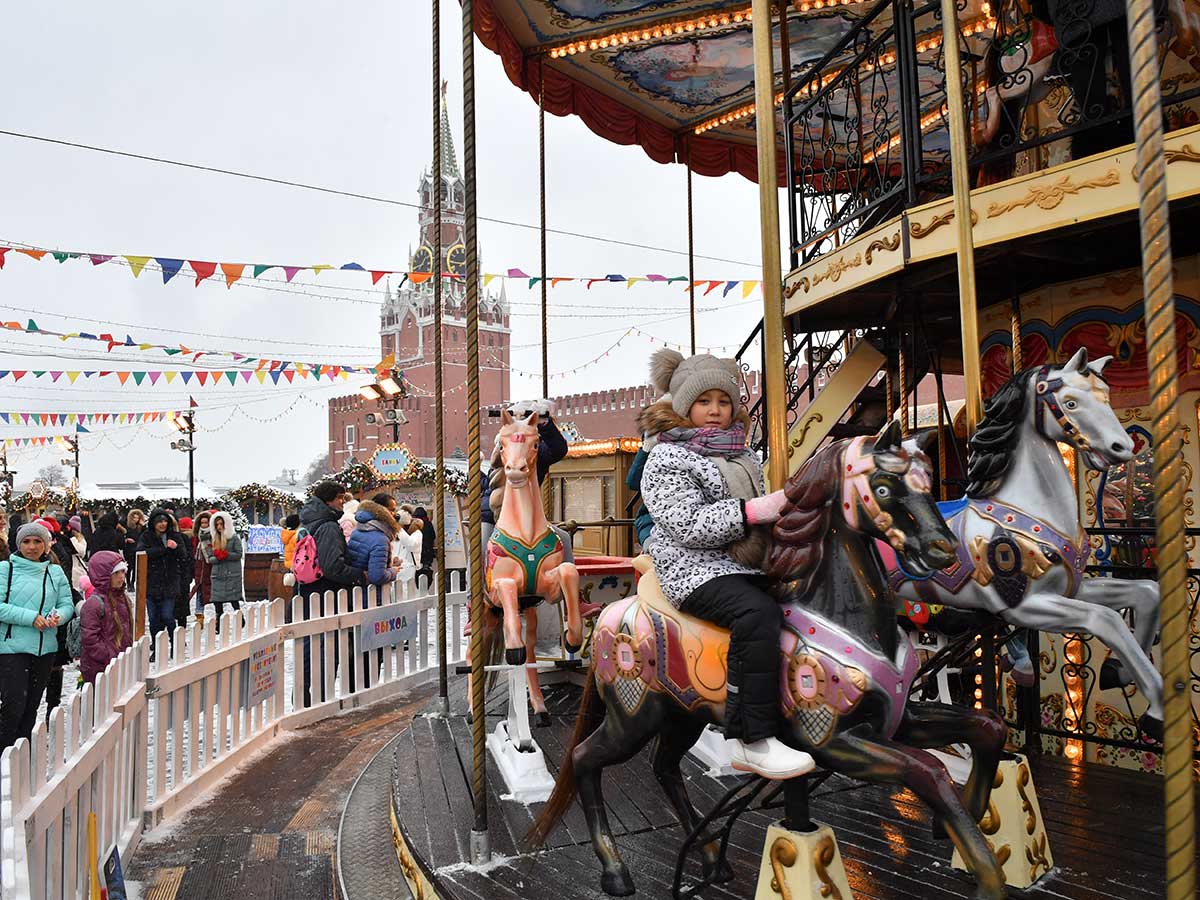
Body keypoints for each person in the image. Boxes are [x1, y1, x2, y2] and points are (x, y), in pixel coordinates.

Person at [639, 349, 814, 780]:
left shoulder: (742, 454)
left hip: (747, 564)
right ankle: (752, 737)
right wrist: (755, 511)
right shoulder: (665, 459)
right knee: (757, 614)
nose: (715, 411)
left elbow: (764, 512)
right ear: (683, 406)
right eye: (704, 402)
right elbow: (688, 523)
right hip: (692, 567)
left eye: (723, 401)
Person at [0, 521, 75, 750]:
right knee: (14, 704)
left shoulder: (55, 571)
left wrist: (58, 617)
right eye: (26, 541)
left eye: (37, 541)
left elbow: (67, 604)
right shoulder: (6, 569)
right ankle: (4, 751)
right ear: (18, 544)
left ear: (46, 545)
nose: (32, 547)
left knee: (32, 705)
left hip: (45, 648)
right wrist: (31, 617)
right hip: (12, 647)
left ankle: (22, 755)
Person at [295, 481, 366, 705]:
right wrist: (358, 574)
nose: (342, 503)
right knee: (324, 648)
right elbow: (331, 566)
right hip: (324, 592)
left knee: (311, 646)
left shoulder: (309, 521)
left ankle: (305, 697)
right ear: (330, 500)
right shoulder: (328, 526)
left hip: (308, 592)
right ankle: (315, 699)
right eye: (340, 498)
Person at [136, 508, 190, 651]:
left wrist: (175, 547)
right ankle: (157, 647)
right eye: (159, 521)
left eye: (165, 521)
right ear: (153, 523)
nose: (162, 524)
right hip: (151, 583)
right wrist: (163, 550)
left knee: (167, 616)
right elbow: (141, 553)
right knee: (154, 619)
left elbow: (184, 555)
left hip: (169, 583)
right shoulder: (146, 537)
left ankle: (174, 645)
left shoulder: (175, 536)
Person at [78, 551, 133, 685]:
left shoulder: (122, 598)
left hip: (120, 662)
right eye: (116, 573)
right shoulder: (94, 604)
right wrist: (109, 656)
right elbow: (90, 639)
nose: (121, 577)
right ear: (103, 576)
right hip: (100, 667)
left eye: (123, 572)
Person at [205, 511, 243, 631]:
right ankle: (219, 624)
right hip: (218, 573)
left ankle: (240, 618)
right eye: (217, 525)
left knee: (233, 599)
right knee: (217, 601)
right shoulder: (212, 539)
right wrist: (217, 557)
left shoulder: (233, 538)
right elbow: (209, 557)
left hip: (232, 573)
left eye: (221, 524)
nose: (219, 527)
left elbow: (239, 554)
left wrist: (226, 555)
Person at [191, 511, 213, 620]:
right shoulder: (196, 537)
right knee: (200, 588)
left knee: (212, 591)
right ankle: (199, 613)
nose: (204, 525)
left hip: (211, 567)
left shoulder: (214, 536)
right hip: (200, 567)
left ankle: (218, 615)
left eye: (206, 522)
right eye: (202, 522)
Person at [174, 516, 195, 629]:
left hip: (182, 577)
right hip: (167, 578)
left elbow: (188, 558)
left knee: (181, 608)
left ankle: (180, 632)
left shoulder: (183, 539)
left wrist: (188, 575)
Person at [412, 507, 436, 585]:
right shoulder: (428, 524)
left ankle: (418, 584)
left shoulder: (414, 525)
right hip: (427, 551)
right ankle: (427, 583)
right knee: (426, 569)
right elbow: (433, 536)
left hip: (416, 550)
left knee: (417, 568)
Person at [123, 508, 146, 579]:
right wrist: (126, 540)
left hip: (138, 548)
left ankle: (133, 582)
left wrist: (143, 525)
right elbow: (121, 536)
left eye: (137, 518)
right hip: (129, 549)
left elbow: (146, 535)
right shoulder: (126, 526)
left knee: (136, 567)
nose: (135, 519)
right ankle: (128, 582)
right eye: (134, 517)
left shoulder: (141, 527)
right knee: (129, 566)